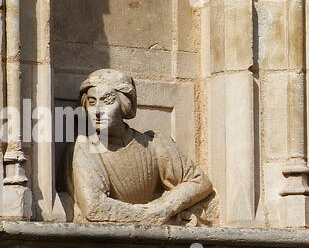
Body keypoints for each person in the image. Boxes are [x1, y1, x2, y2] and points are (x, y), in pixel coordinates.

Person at [71, 68, 213, 225]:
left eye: (107, 101)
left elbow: (199, 181)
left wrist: (166, 206)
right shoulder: (86, 147)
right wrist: (148, 215)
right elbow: (94, 207)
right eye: (92, 103)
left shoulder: (153, 143)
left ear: (124, 104)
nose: (97, 111)